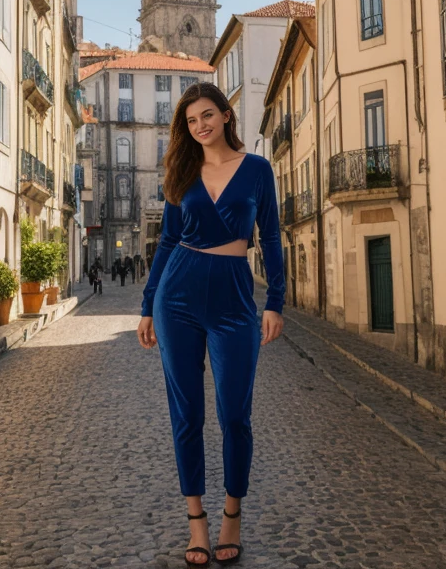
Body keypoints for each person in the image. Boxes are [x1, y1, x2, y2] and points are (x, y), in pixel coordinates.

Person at [137, 82, 284, 568]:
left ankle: (232, 516)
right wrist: (147, 303)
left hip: (235, 299)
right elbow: (167, 242)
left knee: (235, 415)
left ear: (225, 115)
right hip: (177, 296)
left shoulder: (258, 170)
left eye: (206, 116)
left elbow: (273, 238)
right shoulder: (182, 171)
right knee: (187, 415)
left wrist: (276, 301)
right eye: (190, 121)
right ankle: (196, 521)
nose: (199, 126)